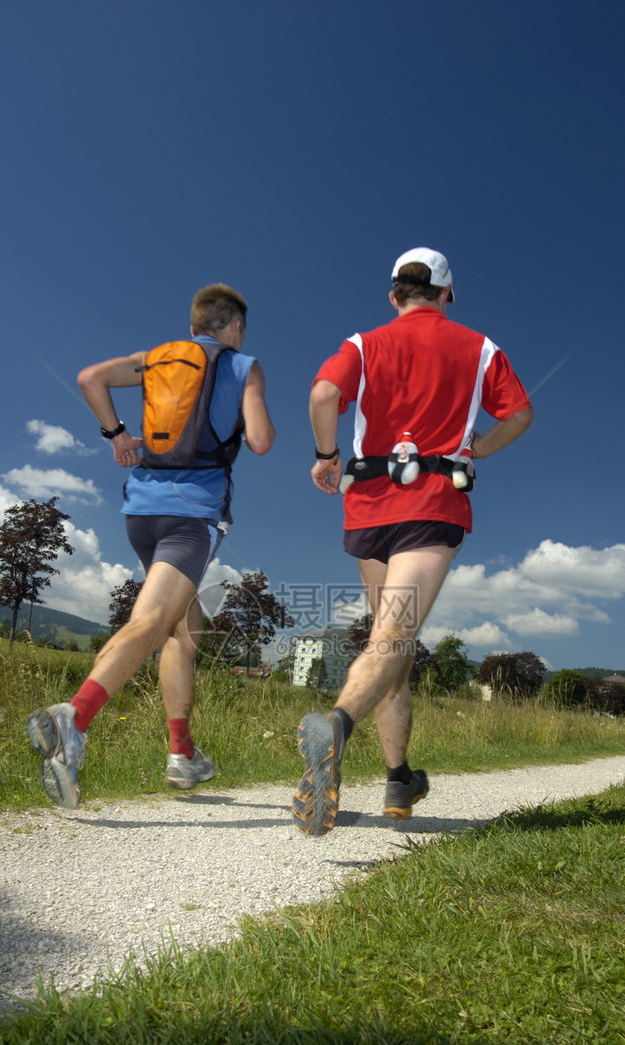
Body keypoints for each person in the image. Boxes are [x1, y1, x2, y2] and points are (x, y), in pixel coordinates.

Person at [292, 247, 534, 835]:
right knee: (397, 634)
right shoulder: (480, 349)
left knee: (389, 638)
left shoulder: (362, 343)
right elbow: (521, 415)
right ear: (447, 294)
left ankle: (399, 779)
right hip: (430, 501)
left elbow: (325, 395)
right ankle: (337, 726)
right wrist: (477, 448)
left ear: (394, 295)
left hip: (369, 506)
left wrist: (327, 455)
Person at [27, 283, 275, 808]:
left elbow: (90, 378)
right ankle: (74, 719)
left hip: (140, 512)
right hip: (192, 518)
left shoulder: (155, 360)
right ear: (234, 329)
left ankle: (182, 754)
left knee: (187, 629)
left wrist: (117, 435)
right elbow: (260, 440)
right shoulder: (243, 364)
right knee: (152, 623)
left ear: (193, 328)